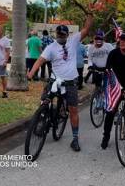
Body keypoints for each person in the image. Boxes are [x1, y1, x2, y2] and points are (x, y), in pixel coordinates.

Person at [28, 14, 94, 152]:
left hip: (70, 82)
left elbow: (86, 29)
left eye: (63, 34)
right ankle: (42, 120)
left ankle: (75, 138)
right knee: (44, 101)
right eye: (59, 34)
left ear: (66, 35)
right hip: (54, 81)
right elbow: (40, 60)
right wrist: (31, 73)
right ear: (56, 33)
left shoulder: (73, 41)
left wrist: (89, 14)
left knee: (73, 110)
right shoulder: (51, 47)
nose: (61, 36)